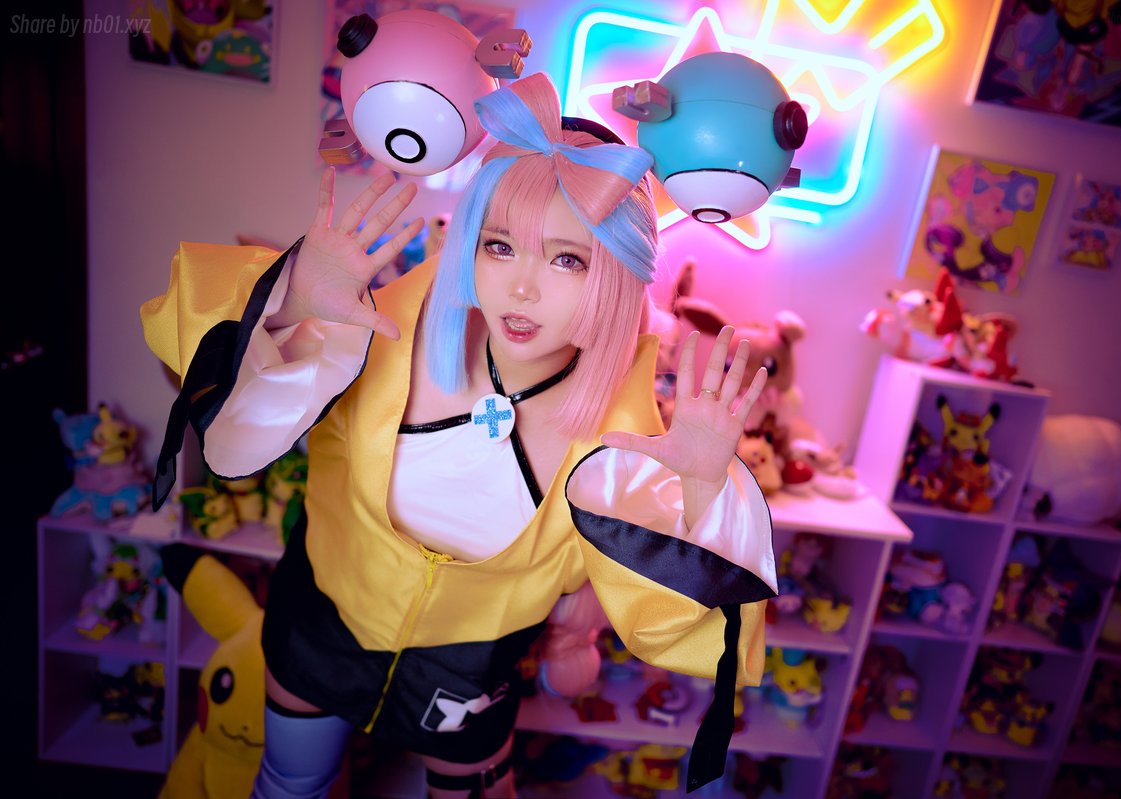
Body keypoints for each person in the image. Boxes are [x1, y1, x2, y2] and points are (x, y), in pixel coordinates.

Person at [142, 72, 777, 799]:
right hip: (321, 620)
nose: (522, 288)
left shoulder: (623, 444)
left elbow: (671, 624)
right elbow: (214, 407)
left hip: (470, 669)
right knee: (288, 785)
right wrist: (285, 311)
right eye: (499, 245)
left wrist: (701, 490)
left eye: (567, 258)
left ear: (619, 274)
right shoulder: (378, 334)